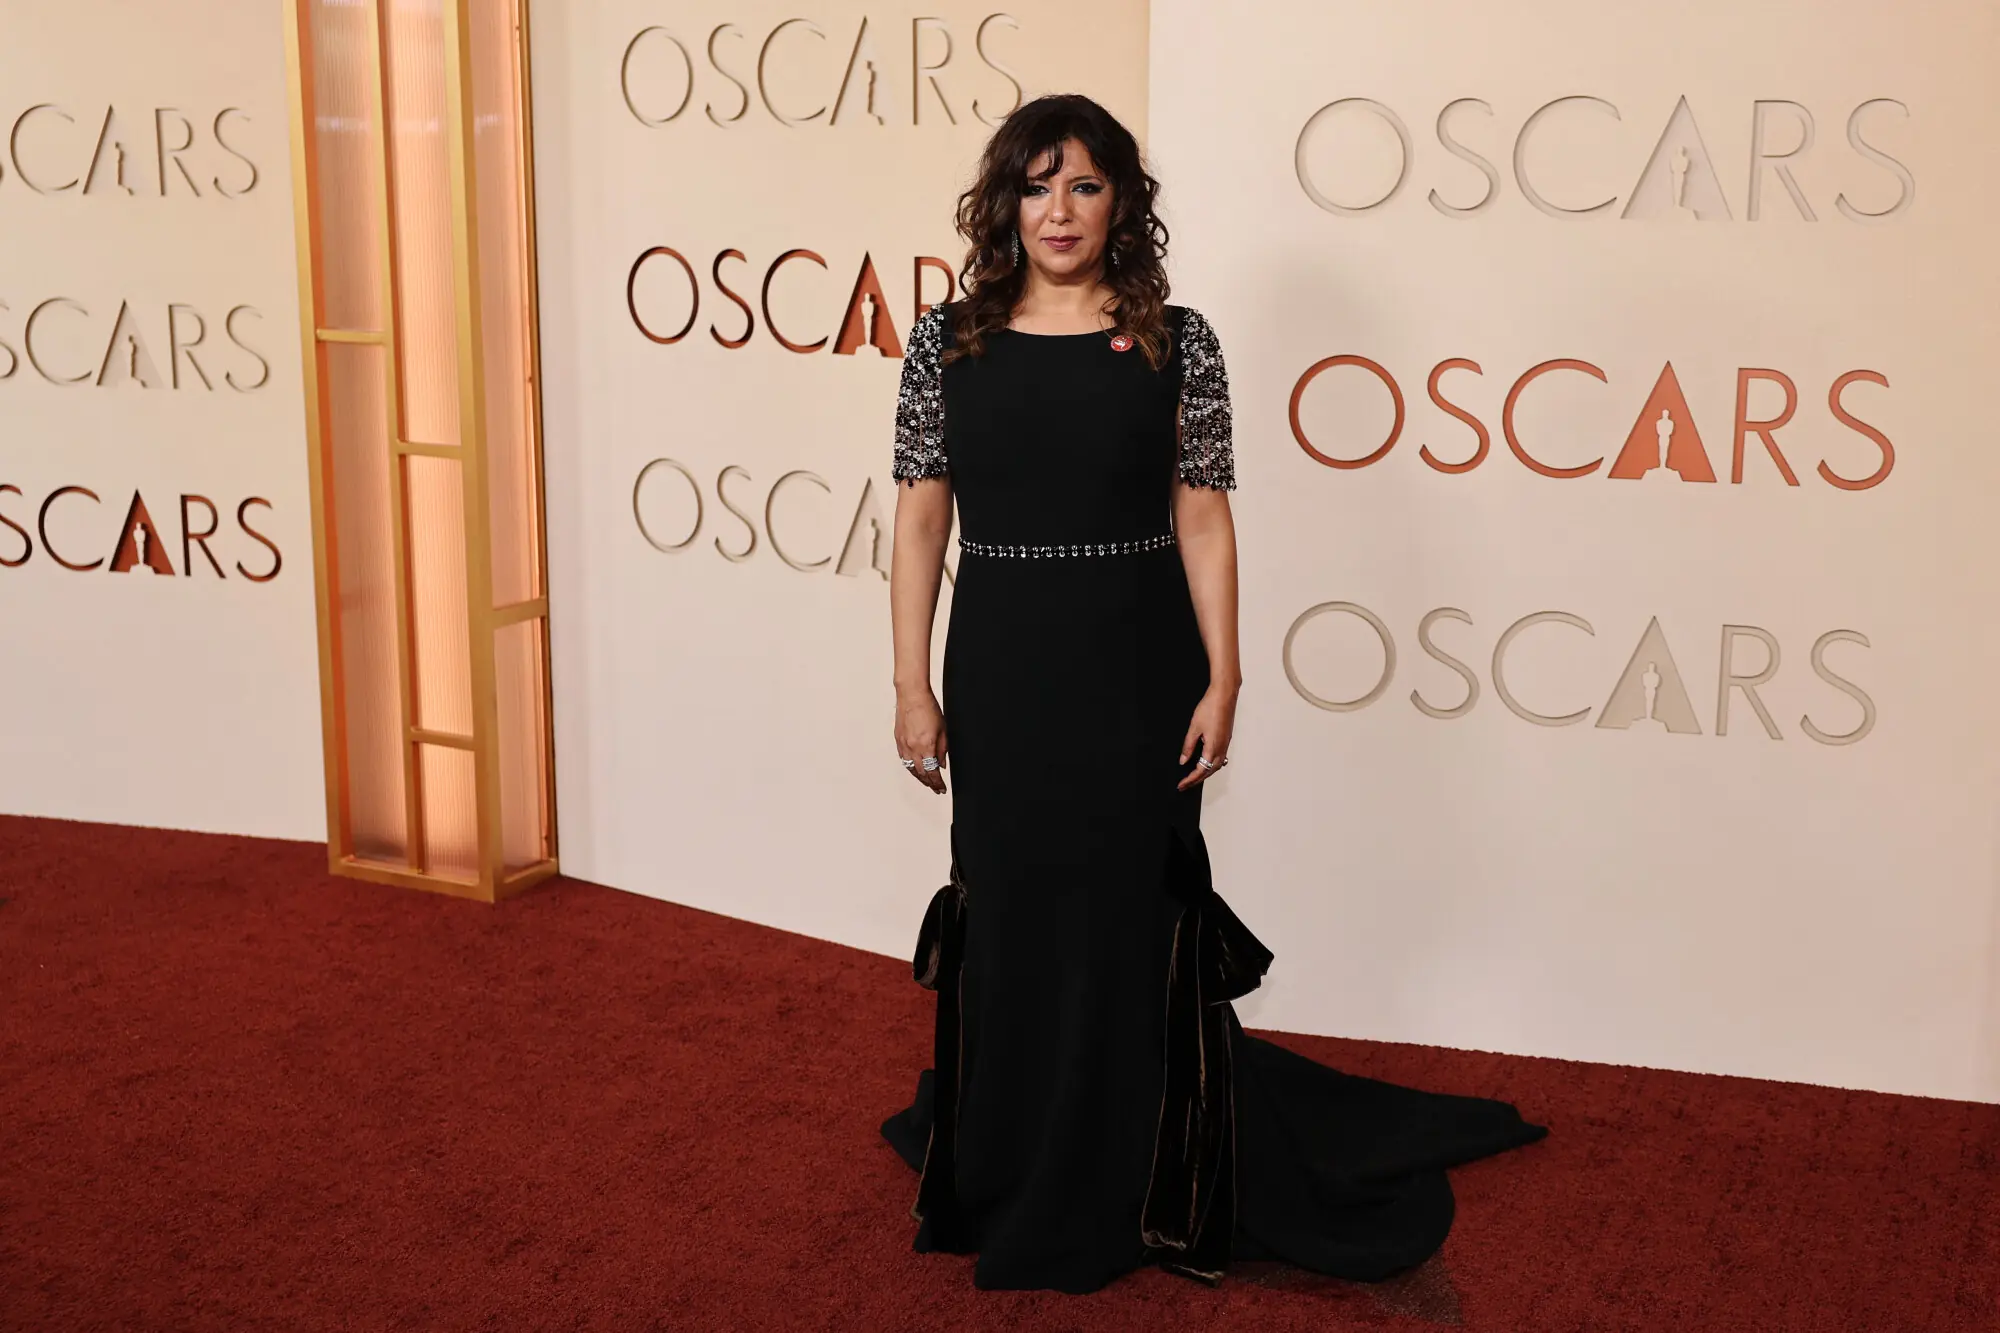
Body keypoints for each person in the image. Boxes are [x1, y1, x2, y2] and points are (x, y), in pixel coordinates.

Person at [880, 92, 1547, 1296]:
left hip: (1139, 670)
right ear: (1004, 203)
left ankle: (1146, 1170)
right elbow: (922, 514)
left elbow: (1202, 514)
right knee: (1017, 913)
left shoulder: (1177, 339)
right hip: (1003, 672)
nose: (1058, 211)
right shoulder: (949, 341)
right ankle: (1018, 1152)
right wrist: (908, 684)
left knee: (1132, 918)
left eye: (1083, 185)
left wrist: (1225, 675)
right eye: (1035, 186)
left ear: (1121, 200)